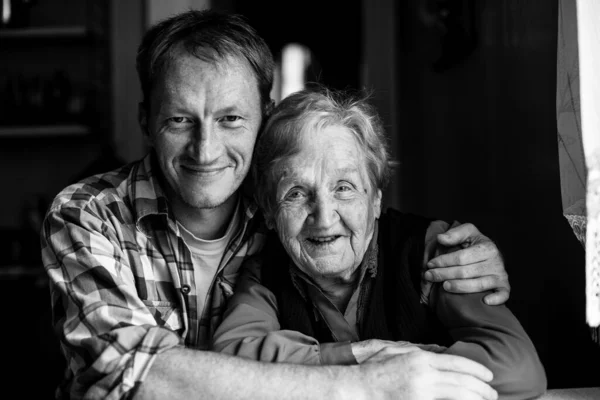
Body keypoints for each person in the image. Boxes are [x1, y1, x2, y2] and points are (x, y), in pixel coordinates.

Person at [41, 9, 510, 400]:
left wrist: (461, 264)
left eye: (230, 119)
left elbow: (373, 240)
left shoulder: (288, 208)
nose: (205, 150)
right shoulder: (87, 214)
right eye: (180, 120)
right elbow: (133, 373)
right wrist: (361, 384)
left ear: (264, 116)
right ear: (146, 118)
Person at [212, 88, 547, 400]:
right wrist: (364, 359)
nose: (324, 218)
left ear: (375, 201)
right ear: (270, 213)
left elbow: (517, 369)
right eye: (296, 193)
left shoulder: (432, 248)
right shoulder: (263, 272)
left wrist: (407, 367)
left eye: (343, 187)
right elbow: (230, 363)